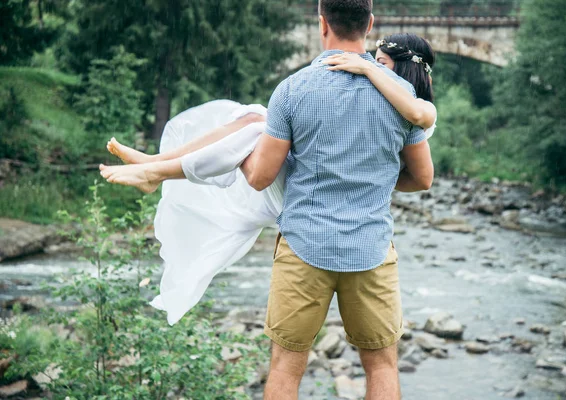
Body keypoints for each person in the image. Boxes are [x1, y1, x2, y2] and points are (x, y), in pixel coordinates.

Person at [101, 2, 435, 397]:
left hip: (304, 244)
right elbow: (422, 178)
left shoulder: (293, 89)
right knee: (381, 365)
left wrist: (245, 158)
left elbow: (260, 178)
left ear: (322, 21)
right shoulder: (403, 96)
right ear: (370, 24)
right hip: (371, 248)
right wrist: (369, 177)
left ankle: (157, 168)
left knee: (285, 367)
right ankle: (156, 167)